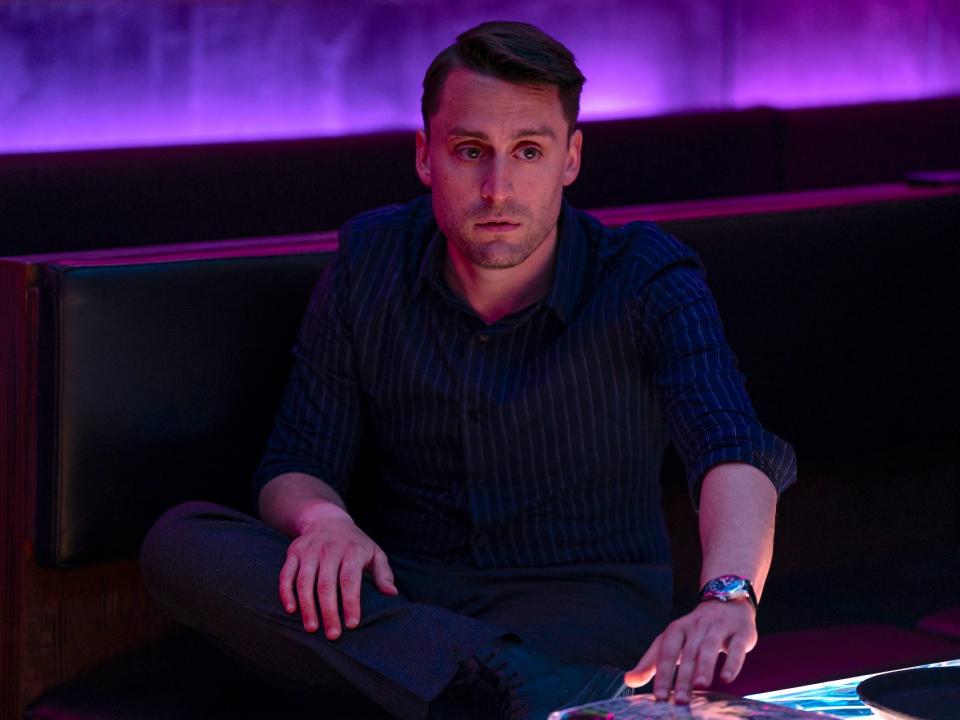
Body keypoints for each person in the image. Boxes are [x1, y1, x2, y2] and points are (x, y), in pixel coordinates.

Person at [141, 20, 796, 720]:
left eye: (529, 151)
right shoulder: (370, 260)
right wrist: (323, 519)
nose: (497, 188)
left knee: (379, 664)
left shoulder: (646, 276)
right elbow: (295, 462)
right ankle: (505, 688)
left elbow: (728, 441)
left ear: (570, 159)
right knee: (181, 543)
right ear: (426, 156)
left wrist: (729, 594)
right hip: (399, 601)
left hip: (579, 614)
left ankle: (455, 685)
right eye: (469, 151)